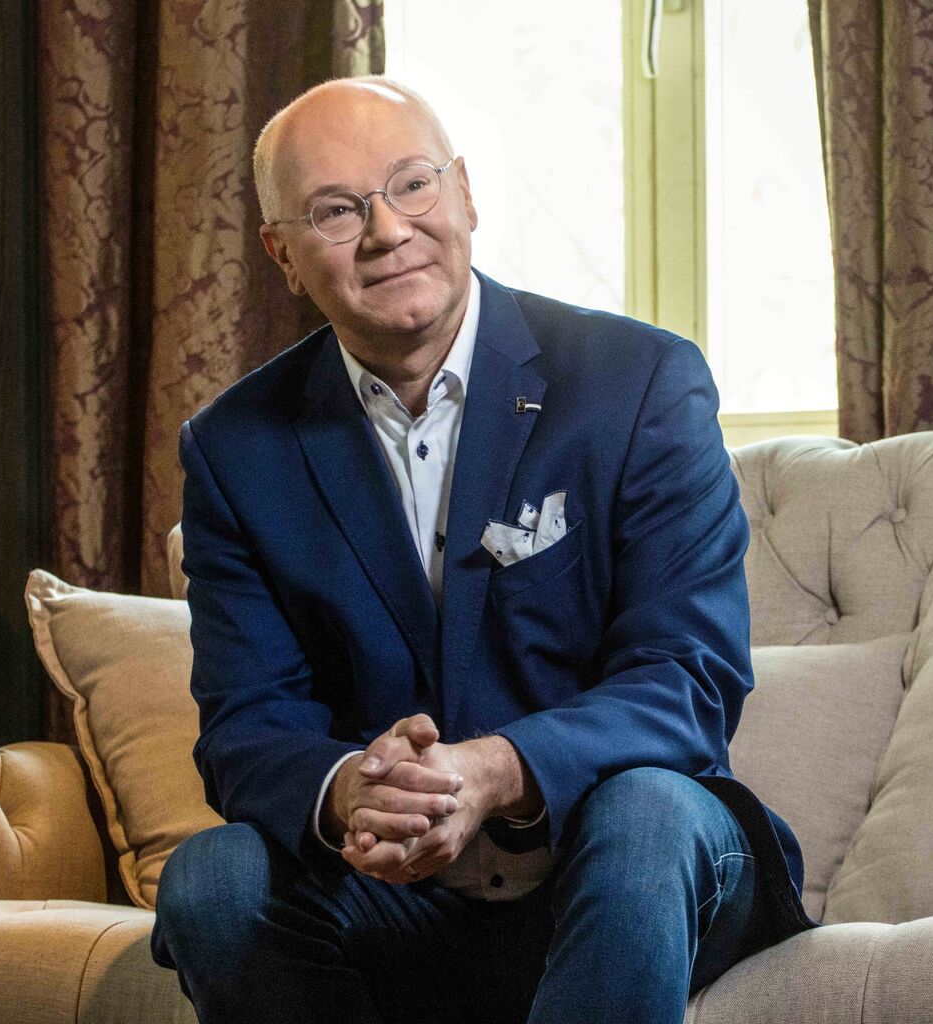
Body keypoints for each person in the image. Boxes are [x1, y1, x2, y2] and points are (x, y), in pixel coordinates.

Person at [149, 76, 817, 1024]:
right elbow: (247, 729)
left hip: (637, 865)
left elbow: (689, 677)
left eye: (413, 185)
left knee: (643, 813)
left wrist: (494, 768)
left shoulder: (639, 381)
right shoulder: (234, 449)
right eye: (336, 210)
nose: (387, 231)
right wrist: (352, 792)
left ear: (463, 192)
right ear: (282, 255)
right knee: (213, 878)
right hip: (399, 892)